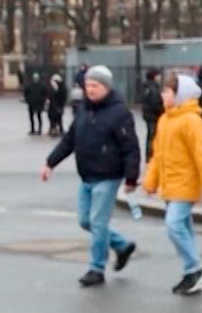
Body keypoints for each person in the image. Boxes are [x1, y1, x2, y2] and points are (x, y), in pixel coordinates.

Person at [41, 65, 140, 287]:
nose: (90, 89)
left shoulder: (119, 113)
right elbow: (69, 140)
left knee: (98, 222)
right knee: (86, 221)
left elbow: (130, 147)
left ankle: (97, 268)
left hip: (108, 176)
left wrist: (131, 178)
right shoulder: (84, 110)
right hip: (87, 176)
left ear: (106, 87)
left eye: (95, 85)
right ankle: (122, 246)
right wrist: (50, 163)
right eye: (88, 85)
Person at [141, 72, 202, 296]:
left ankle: (195, 267)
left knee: (174, 225)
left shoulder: (192, 120)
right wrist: (150, 182)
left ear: (180, 94)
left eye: (167, 91)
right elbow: (157, 155)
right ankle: (190, 272)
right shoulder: (165, 119)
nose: (163, 95)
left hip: (185, 184)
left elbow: (201, 155)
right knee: (183, 227)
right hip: (170, 185)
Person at [138, 69, 165, 160]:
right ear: (154, 76)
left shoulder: (146, 87)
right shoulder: (153, 88)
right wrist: (162, 111)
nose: (160, 77)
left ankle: (149, 155)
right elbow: (155, 103)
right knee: (152, 136)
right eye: (158, 75)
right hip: (153, 116)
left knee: (150, 135)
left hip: (148, 115)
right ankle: (151, 156)